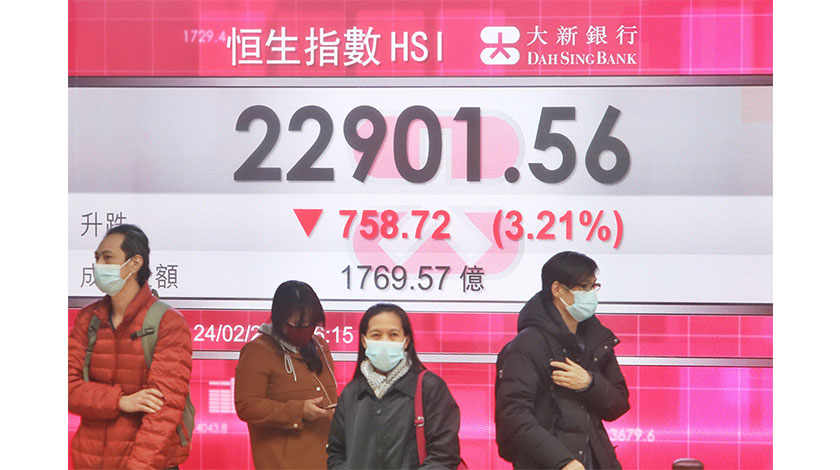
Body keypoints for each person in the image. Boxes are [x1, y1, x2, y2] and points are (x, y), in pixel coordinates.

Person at [68, 224, 193, 470]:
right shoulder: (87, 319)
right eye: (97, 257)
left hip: (148, 463)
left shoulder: (168, 322)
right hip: (90, 461)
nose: (99, 265)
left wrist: (138, 467)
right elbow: (68, 390)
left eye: (108, 258)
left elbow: (164, 411)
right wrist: (120, 401)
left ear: (135, 263)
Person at [495, 251, 630, 470]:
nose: (591, 295)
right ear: (557, 289)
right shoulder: (529, 343)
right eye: (583, 287)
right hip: (548, 464)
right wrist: (562, 461)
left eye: (594, 287)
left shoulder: (596, 339)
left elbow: (619, 404)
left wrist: (589, 383)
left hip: (597, 460)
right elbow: (514, 414)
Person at [327, 303, 461, 469]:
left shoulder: (430, 388)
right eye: (376, 335)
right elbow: (336, 453)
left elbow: (443, 456)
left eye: (393, 335)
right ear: (363, 341)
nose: (385, 341)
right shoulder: (351, 393)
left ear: (406, 341)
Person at [235, 280, 339, 469]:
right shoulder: (258, 352)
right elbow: (247, 406)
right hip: (284, 463)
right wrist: (298, 411)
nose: (308, 328)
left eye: (312, 322)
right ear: (281, 320)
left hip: (327, 460)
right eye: (300, 323)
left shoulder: (320, 346)